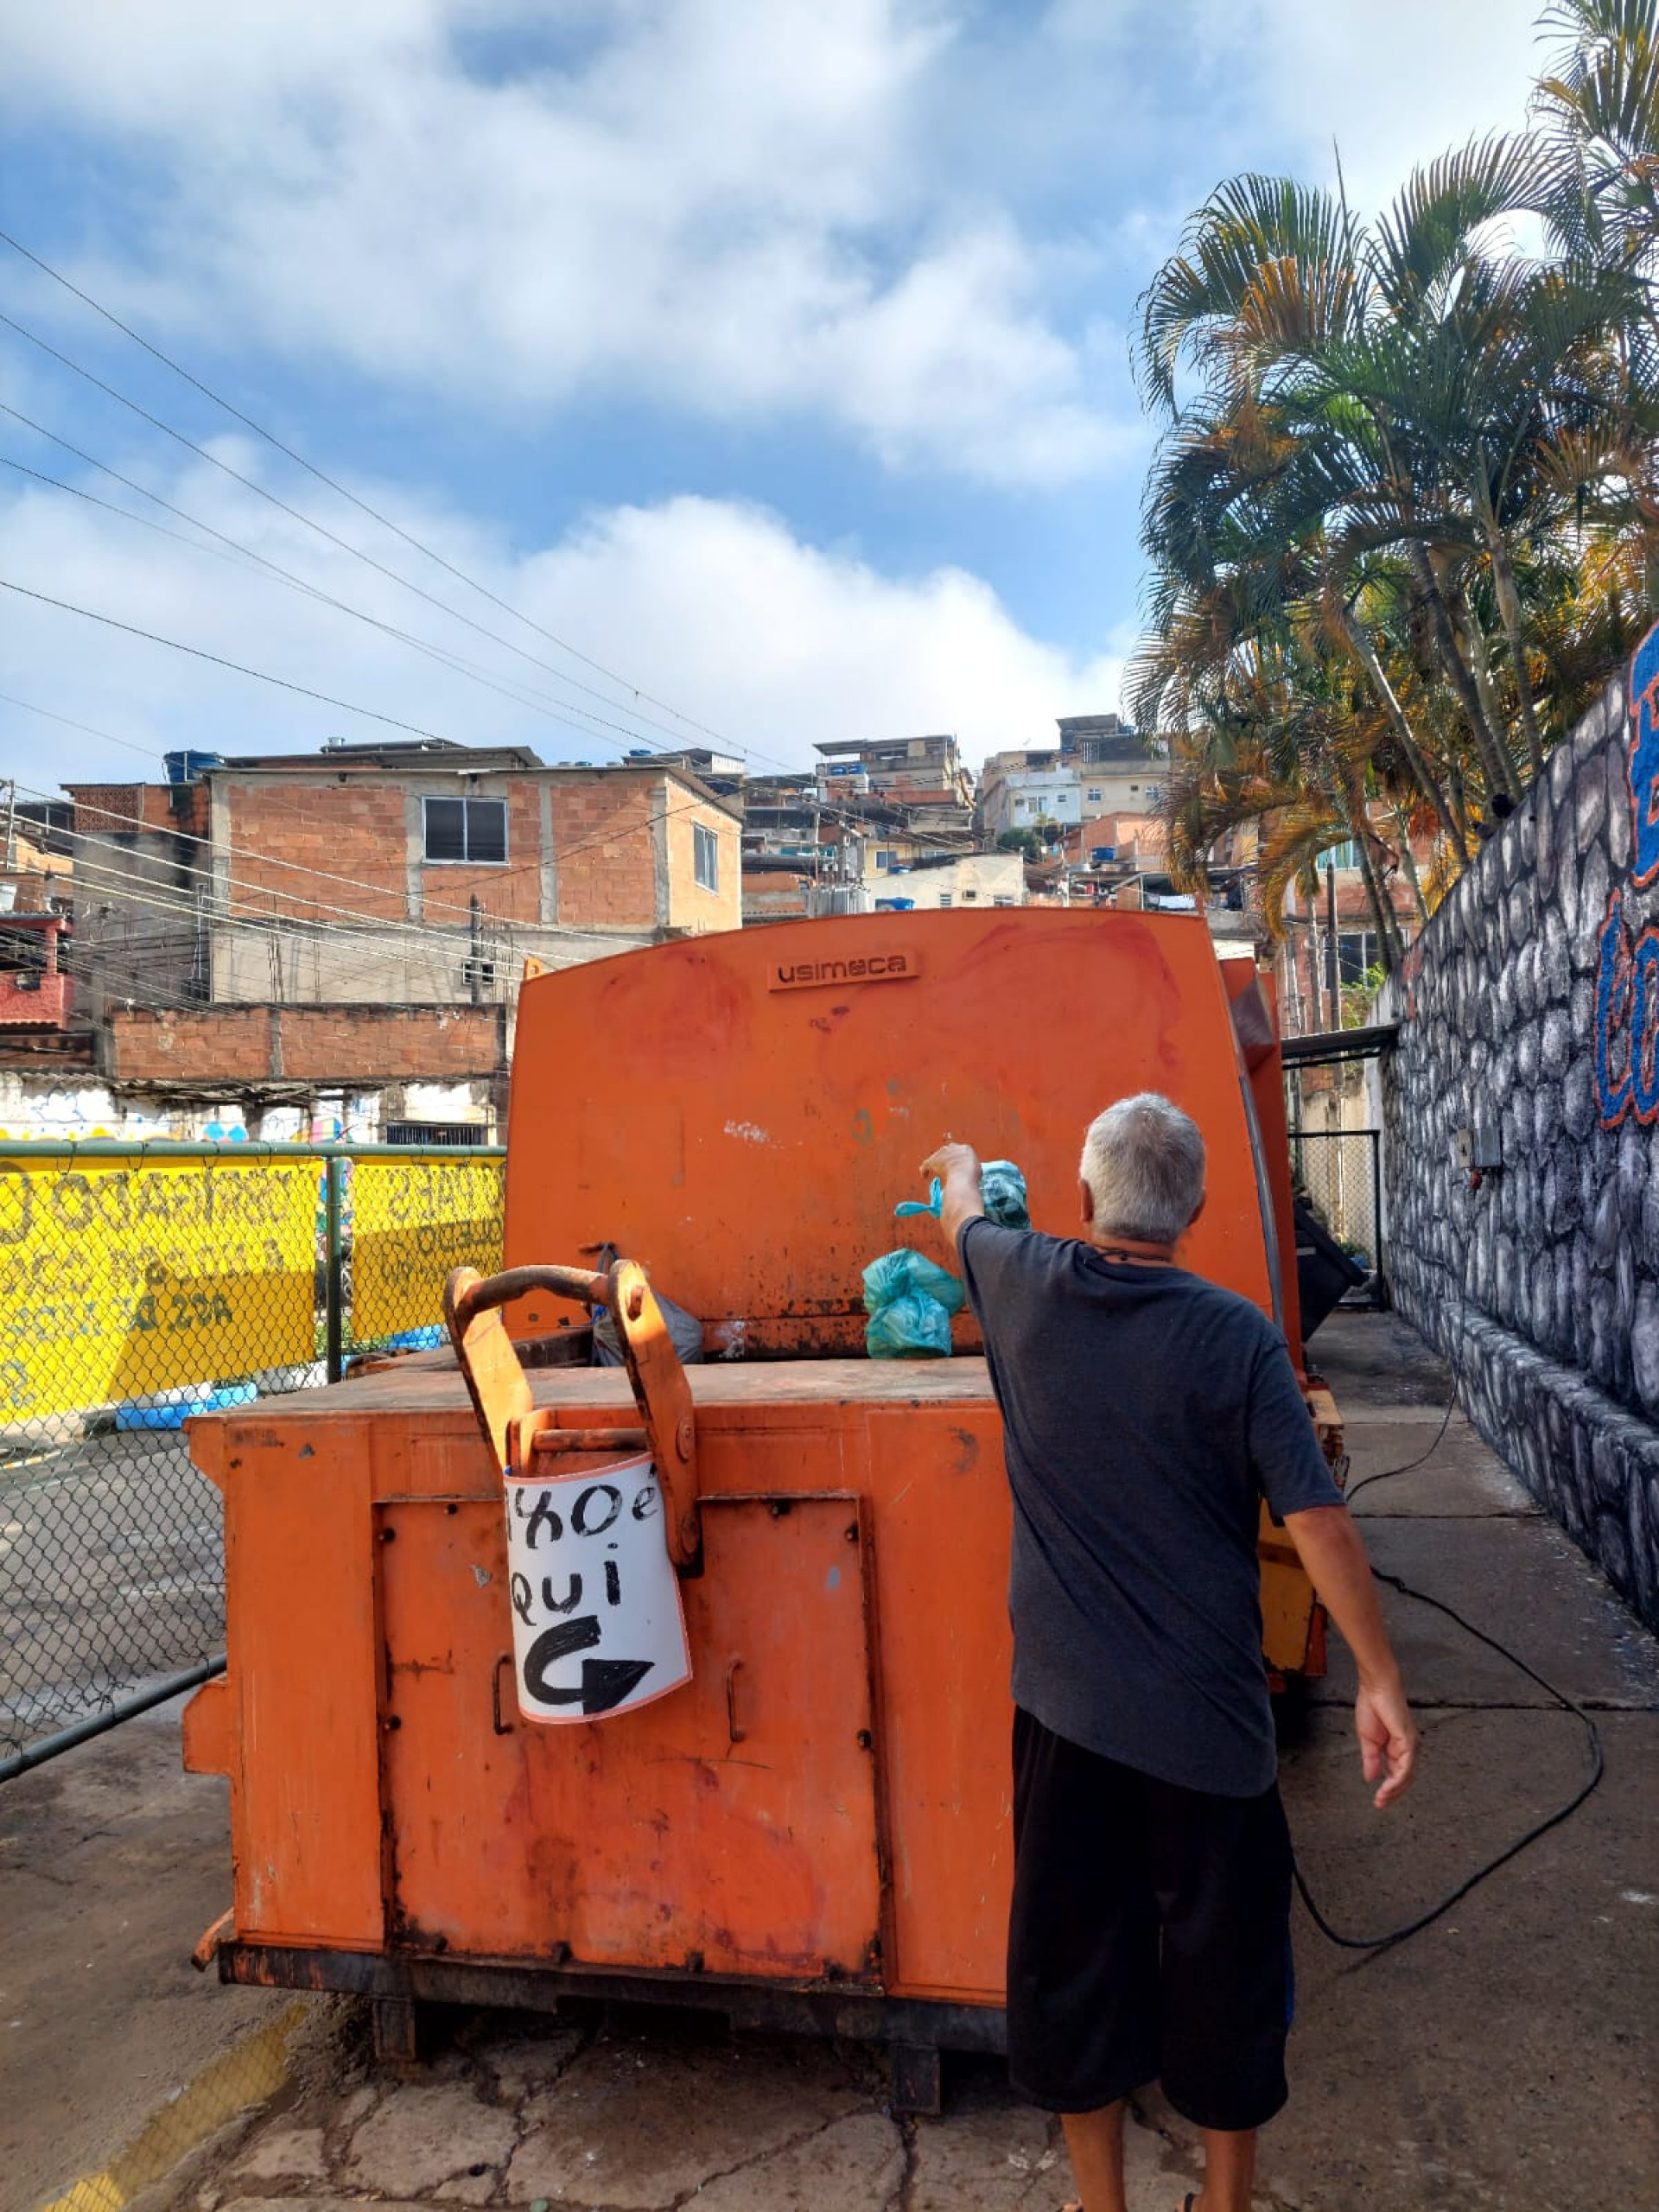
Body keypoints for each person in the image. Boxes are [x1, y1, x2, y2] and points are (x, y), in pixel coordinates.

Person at [919, 1095, 1418, 2212]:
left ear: (1088, 1198)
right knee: (1229, 1989)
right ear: (1191, 1208)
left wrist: (956, 1162)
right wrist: (1380, 1679)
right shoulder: (1236, 1337)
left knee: (1074, 1980)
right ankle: (1224, 2206)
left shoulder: (1020, 1282)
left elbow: (954, 1218)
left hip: (1068, 1729)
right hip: (1214, 1745)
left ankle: (1103, 2206)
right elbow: (1319, 1519)